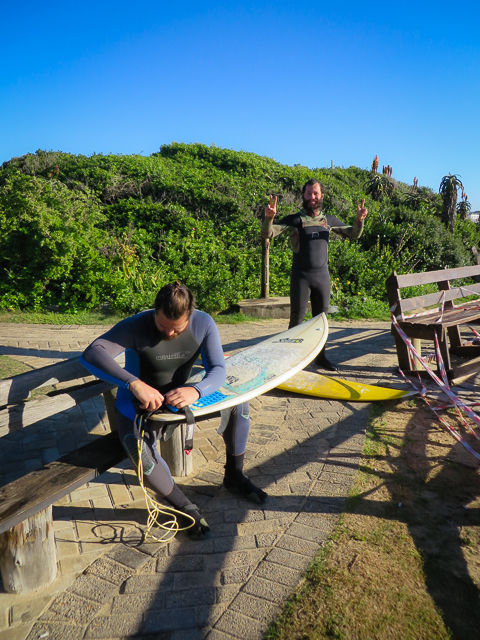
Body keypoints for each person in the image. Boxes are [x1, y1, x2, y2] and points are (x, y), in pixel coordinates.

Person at [80, 281, 267, 540]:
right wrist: (134, 383)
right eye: (162, 326)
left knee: (238, 405)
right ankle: (183, 506)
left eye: (176, 329)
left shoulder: (203, 323)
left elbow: (218, 370)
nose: (168, 334)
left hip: (179, 396)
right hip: (136, 404)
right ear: (155, 312)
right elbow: (92, 353)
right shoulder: (136, 325)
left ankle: (234, 475)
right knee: (137, 450)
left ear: (189, 315)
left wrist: (196, 390)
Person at [262, 179, 368, 371]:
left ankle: (321, 357)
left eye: (316, 193)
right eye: (309, 193)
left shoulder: (329, 221)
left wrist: (359, 221)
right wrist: (269, 218)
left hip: (322, 278)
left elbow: (353, 234)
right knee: (297, 320)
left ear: (322, 196)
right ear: (303, 195)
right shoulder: (294, 220)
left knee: (321, 320)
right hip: (301, 277)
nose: (312, 197)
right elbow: (268, 234)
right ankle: (289, 360)